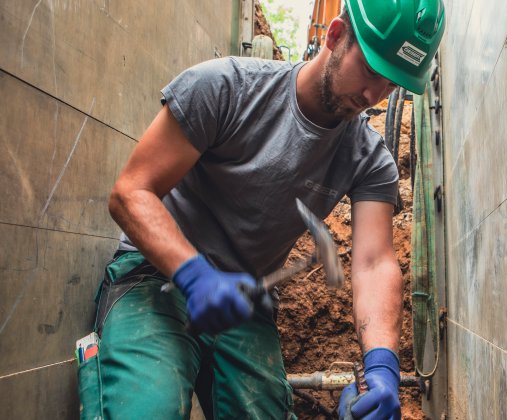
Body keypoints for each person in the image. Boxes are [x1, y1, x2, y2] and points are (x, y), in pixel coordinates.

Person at [79, 0, 445, 419]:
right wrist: (195, 275)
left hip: (243, 300)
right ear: (336, 35)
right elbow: (130, 192)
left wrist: (382, 367)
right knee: (147, 409)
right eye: (371, 70)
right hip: (155, 276)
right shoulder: (225, 88)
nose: (375, 95)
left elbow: (374, 263)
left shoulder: (368, 159)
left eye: (393, 83)